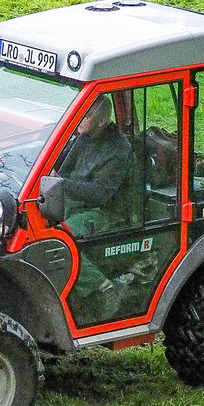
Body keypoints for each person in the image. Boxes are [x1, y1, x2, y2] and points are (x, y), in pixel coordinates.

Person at [53, 94, 135, 320]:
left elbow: (100, 194)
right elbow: (62, 166)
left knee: (58, 240)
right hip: (72, 203)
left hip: (104, 213)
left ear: (101, 121)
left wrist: (60, 183)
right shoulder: (84, 137)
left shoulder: (119, 149)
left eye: (86, 117)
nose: (80, 120)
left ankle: (105, 287)